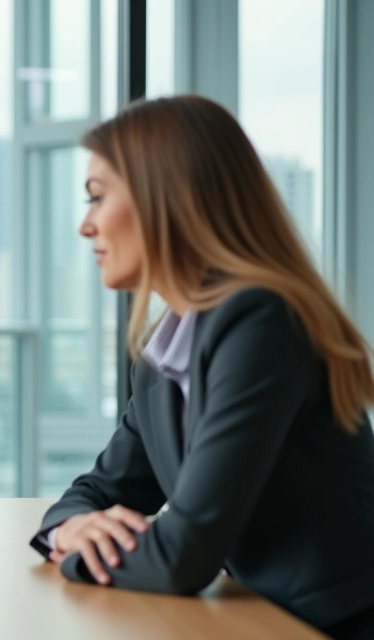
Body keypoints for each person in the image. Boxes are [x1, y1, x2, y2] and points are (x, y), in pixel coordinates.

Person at [29, 95, 374, 638]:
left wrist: (76, 556)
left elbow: (184, 555)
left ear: (164, 198)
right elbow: (100, 489)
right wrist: (70, 528)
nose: (85, 225)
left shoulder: (262, 322)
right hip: (257, 619)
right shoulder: (164, 350)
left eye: (97, 197)